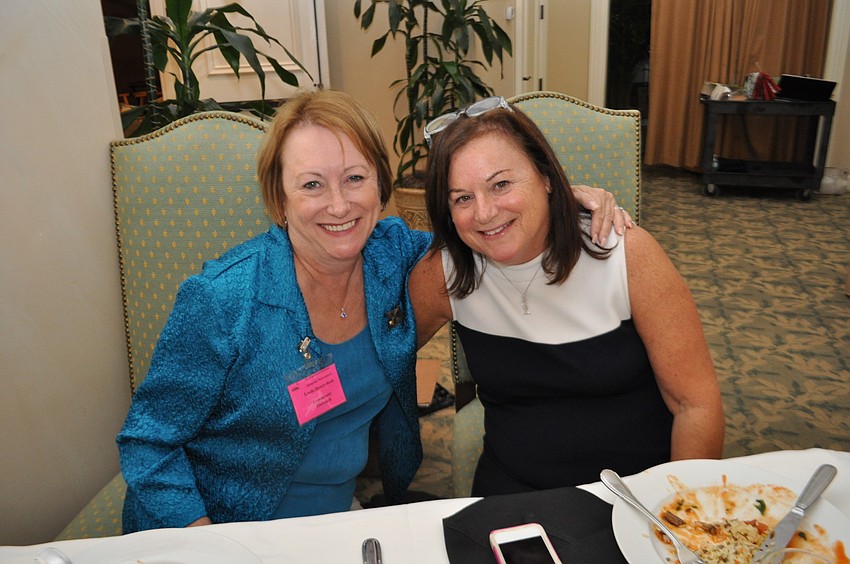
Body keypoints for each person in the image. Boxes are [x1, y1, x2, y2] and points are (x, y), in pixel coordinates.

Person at [117, 89, 629, 532]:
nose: (339, 206)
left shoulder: (394, 255)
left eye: (355, 178)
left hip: (343, 519)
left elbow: (485, 230)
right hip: (225, 528)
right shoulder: (222, 300)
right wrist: (205, 543)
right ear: (279, 199)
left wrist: (559, 201)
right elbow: (147, 443)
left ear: (381, 185)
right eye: (312, 184)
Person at [410, 97, 725, 496]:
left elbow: (695, 405)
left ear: (545, 176)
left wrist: (681, 512)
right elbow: (381, 356)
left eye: (501, 184)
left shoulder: (626, 256)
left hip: (637, 493)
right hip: (515, 489)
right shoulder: (447, 272)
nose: (485, 212)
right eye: (462, 198)